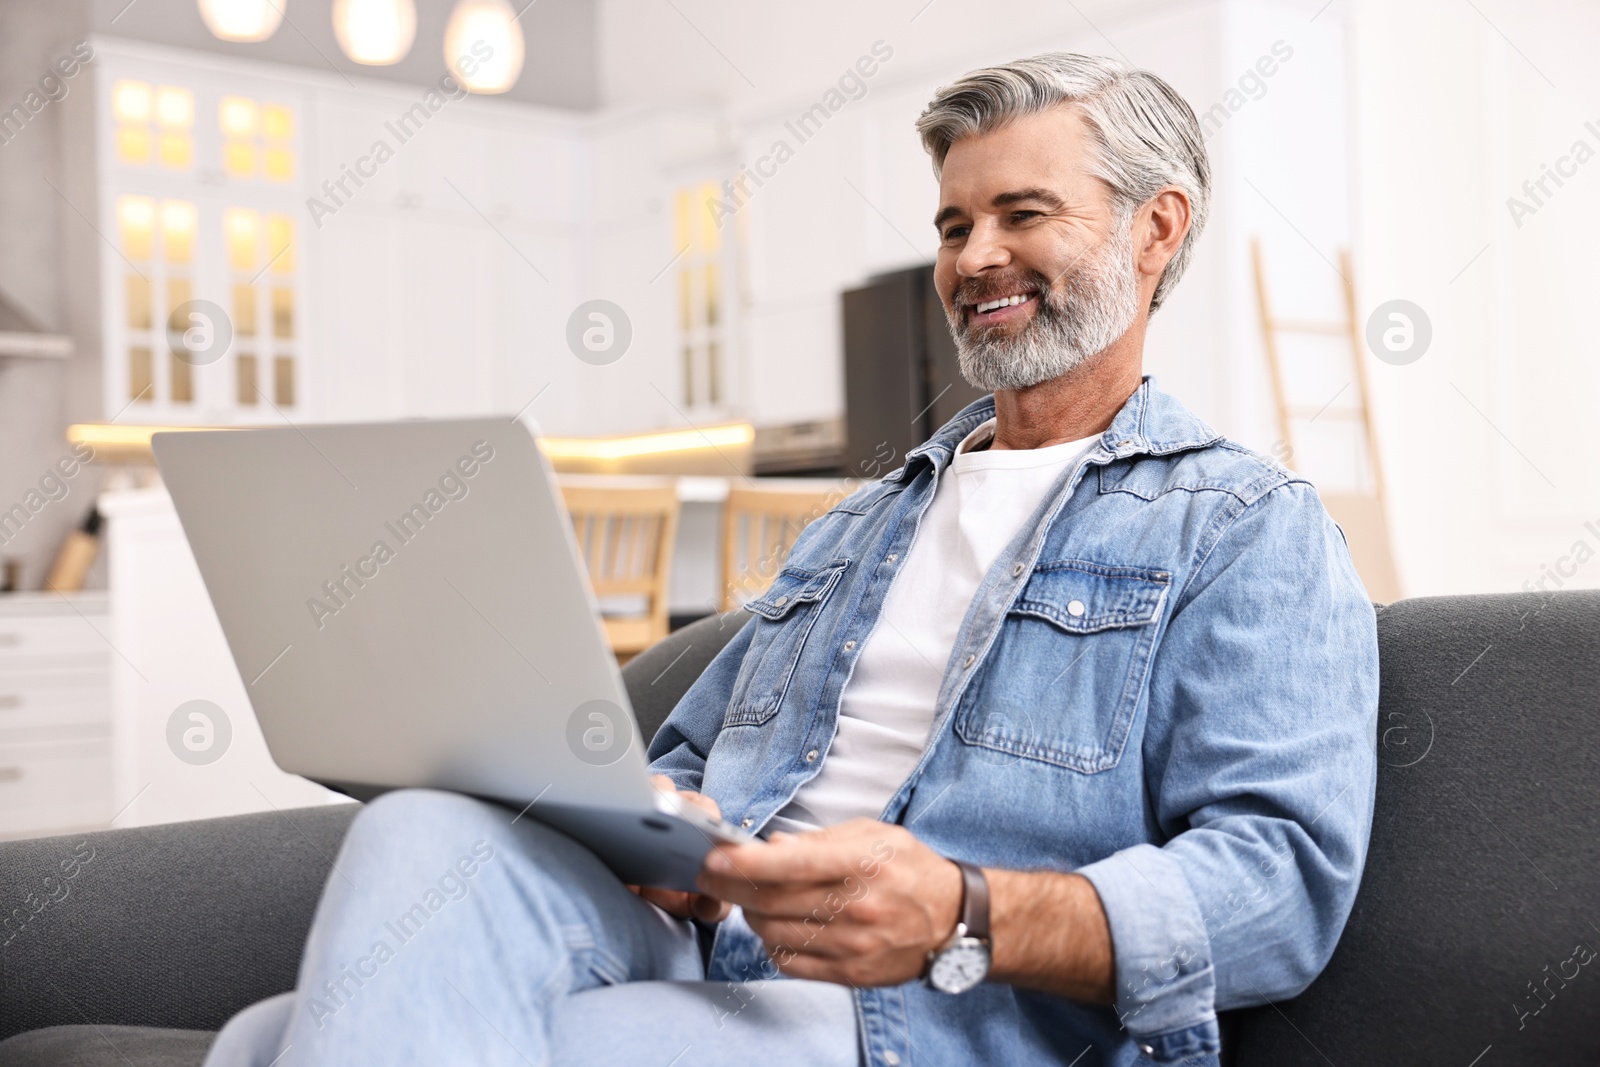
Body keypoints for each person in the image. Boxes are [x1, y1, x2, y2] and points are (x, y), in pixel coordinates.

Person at [205, 51, 1377, 1067]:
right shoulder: (859, 523)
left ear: (1155, 227)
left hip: (943, 1016)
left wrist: (962, 912)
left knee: (275, 1042)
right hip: (718, 948)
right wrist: (663, 831)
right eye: (954, 224)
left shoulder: (1242, 524)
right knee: (421, 832)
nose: (975, 258)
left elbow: (1280, 886)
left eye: (1022, 214)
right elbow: (677, 765)